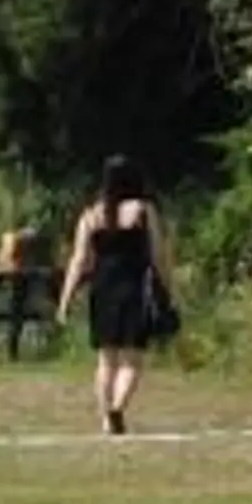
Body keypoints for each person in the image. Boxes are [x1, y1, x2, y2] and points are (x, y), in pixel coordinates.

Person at [56, 155, 173, 436]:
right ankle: (117, 408)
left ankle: (106, 420)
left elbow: (79, 260)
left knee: (106, 359)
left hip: (102, 289)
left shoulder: (91, 215)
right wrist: (167, 288)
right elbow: (158, 255)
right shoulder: (143, 210)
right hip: (133, 287)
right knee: (132, 359)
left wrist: (65, 300)